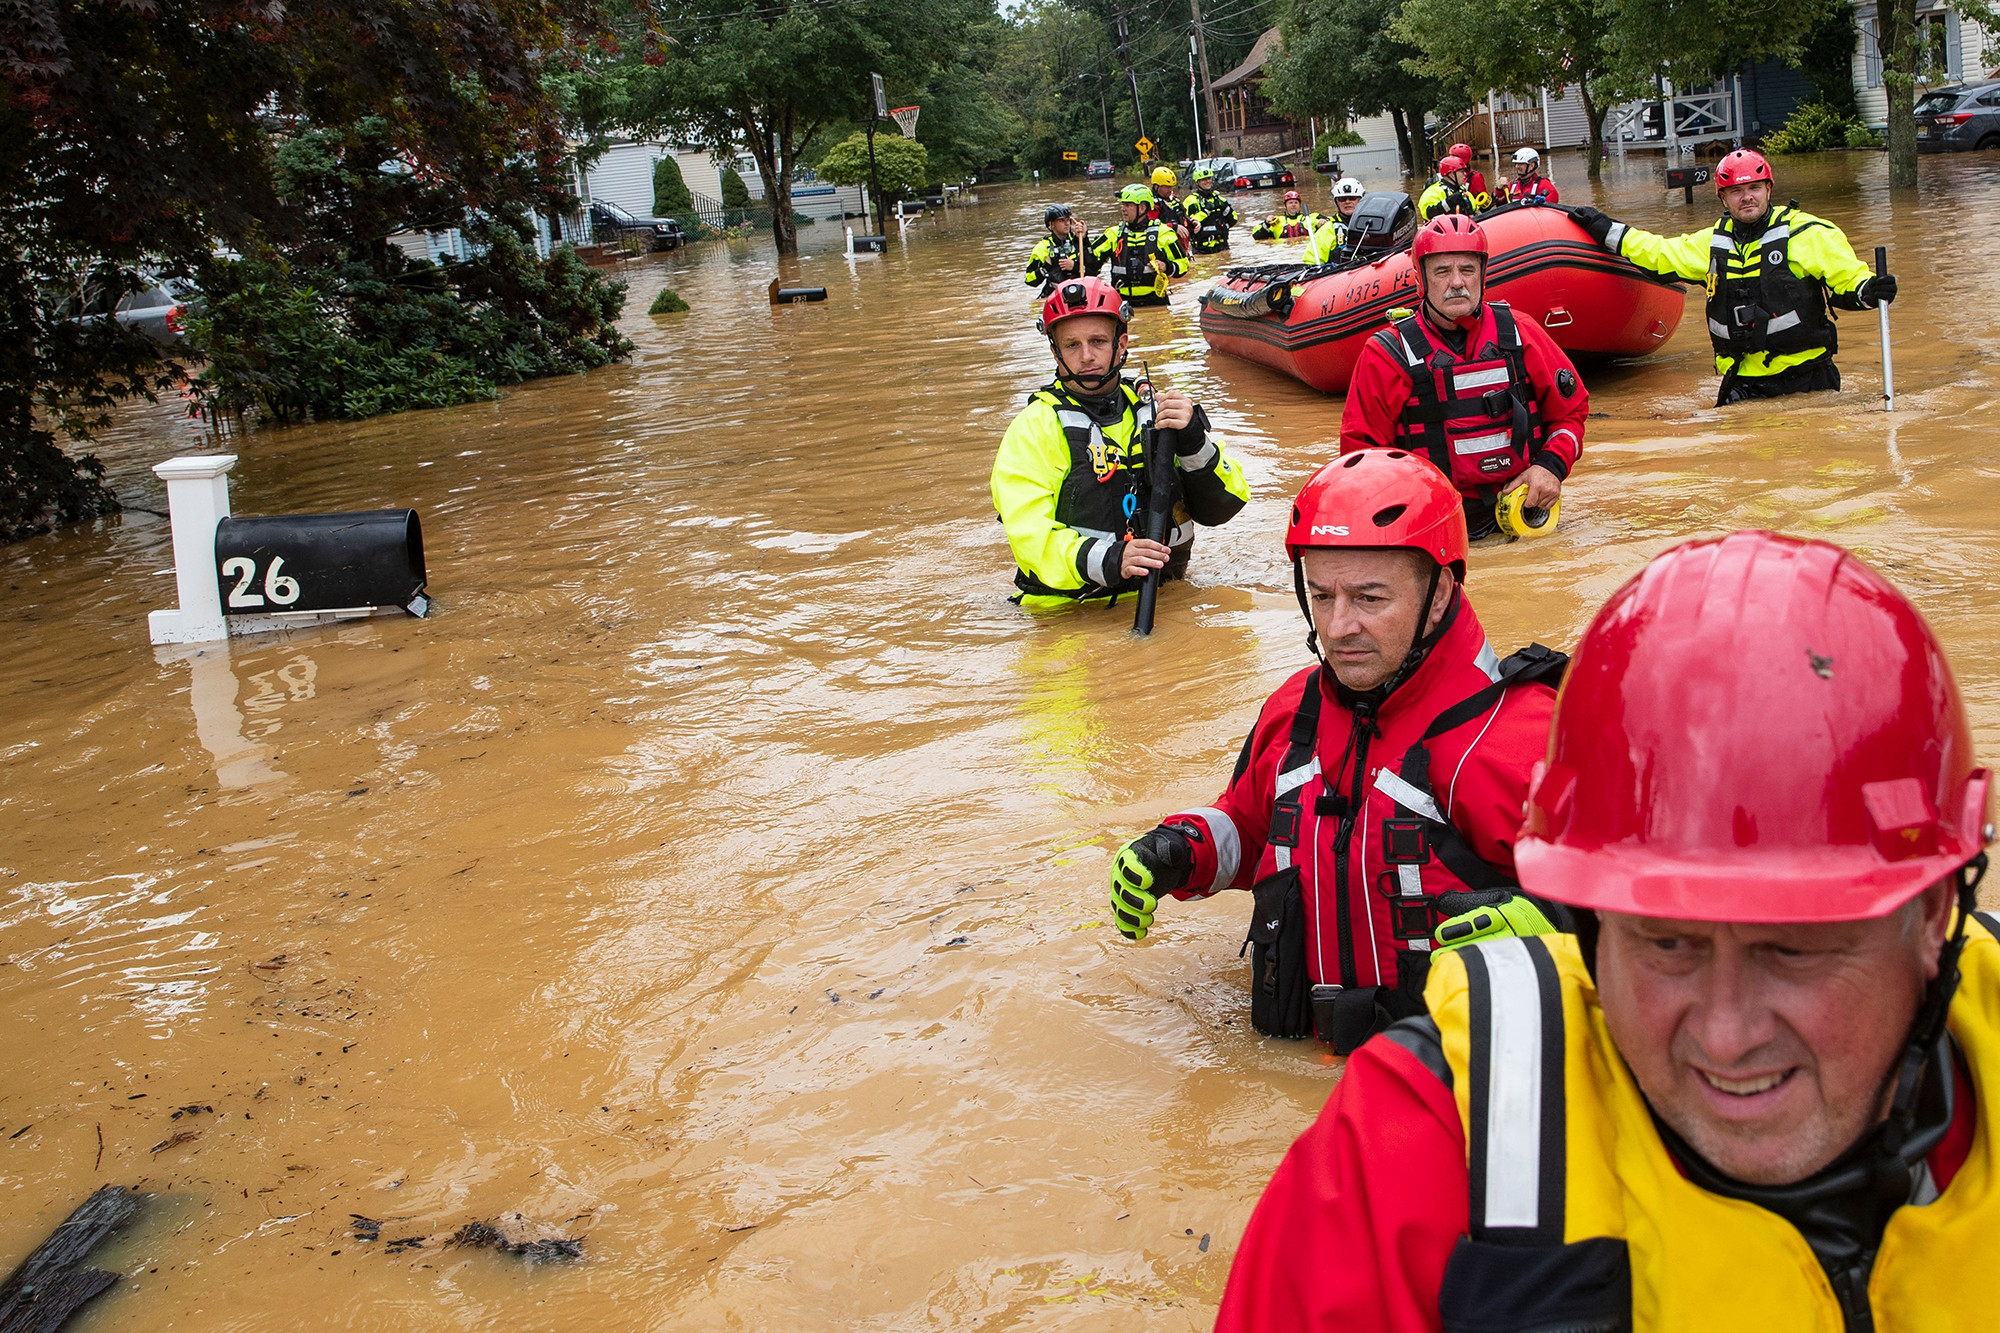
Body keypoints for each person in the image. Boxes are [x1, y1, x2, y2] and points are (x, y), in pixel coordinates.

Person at [1214, 529, 1997, 1331]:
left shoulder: (1490, 741)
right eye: (1665, 943)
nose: (1725, 1038)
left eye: (1792, 950)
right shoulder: (1417, 1145)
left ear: (1935, 916)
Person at [1106, 450, 1566, 1053]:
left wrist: (1561, 925)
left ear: (1439, 593)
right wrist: (1183, 849)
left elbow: (1648, 928)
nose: (1339, 625)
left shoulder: (1521, 738)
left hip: (1441, 1084)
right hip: (1294, 1058)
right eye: (1321, 596)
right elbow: (1251, 827)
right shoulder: (1292, 708)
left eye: (1370, 599)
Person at [990, 277, 1247, 609]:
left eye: (1097, 341)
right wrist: (1113, 558)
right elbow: (1030, 537)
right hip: (1068, 613)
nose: (1086, 356)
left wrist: (1193, 440)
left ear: (1121, 344)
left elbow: (1227, 502)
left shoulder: (1156, 411)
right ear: (1055, 351)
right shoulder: (1034, 427)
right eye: (1072, 345)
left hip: (1167, 598)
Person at [1571, 148, 1897, 405]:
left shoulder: (1809, 233)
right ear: (1723, 198)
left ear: (1769, 189)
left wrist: (1868, 289)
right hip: (1743, 384)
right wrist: (1607, 230)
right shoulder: (1711, 243)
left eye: (1754, 188)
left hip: (1809, 380)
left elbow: (1847, 280)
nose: (1747, 197)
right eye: (1736, 191)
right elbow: (1659, 253)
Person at [1339, 214, 1586, 540]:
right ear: (1421, 278)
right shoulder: (1387, 354)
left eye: (1467, 270)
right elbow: (1361, 459)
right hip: (1433, 525)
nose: (1457, 282)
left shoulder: (1520, 332)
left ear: (1482, 274)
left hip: (1523, 513)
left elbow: (1571, 413)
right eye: (1442, 271)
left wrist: (1550, 467)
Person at [1085, 184, 1190, 307]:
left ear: (1142, 208)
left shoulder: (1164, 233)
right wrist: (1081, 239)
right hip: (1122, 304)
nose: (1123, 209)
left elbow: (1183, 264)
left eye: (1128, 205)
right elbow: (1090, 263)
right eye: (1122, 205)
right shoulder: (1113, 234)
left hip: (1155, 303)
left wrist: (1167, 267)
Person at [1021, 204, 1086, 299]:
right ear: (1051, 224)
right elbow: (1029, 280)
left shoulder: (1078, 240)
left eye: (1068, 220)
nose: (1067, 223)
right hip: (1054, 294)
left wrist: (1074, 267)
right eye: (1061, 220)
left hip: (1080, 291)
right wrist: (1045, 268)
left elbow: (1094, 269)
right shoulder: (1042, 248)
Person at [1303, 176, 1367, 265]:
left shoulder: (1370, 224)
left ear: (1360, 200)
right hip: (1340, 274)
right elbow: (1311, 261)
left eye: (1352, 198)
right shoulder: (1328, 228)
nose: (1347, 202)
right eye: (1342, 199)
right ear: (1336, 202)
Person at [1182, 167, 1238, 254]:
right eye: (1203, 179)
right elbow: (1187, 223)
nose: (1207, 181)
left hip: (1223, 247)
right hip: (1202, 250)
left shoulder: (1219, 199)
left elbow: (1234, 220)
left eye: (1209, 178)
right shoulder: (1191, 201)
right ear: (1197, 182)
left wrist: (1226, 209)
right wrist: (1205, 212)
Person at [1416, 156, 1488, 221]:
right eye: (1462, 172)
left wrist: (1486, 208)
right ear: (1452, 174)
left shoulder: (1464, 192)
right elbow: (1428, 214)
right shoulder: (1433, 191)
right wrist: (1448, 202)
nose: (1465, 174)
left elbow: (1475, 214)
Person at [1251, 190, 1327, 241]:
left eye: (1296, 203)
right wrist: (1266, 223)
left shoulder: (1311, 217)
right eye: (1290, 203)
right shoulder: (1277, 221)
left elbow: (1332, 223)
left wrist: (1323, 224)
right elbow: (1256, 236)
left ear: (1300, 205)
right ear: (1285, 205)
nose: (1293, 205)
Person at [1148, 165, 1190, 247]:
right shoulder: (1151, 205)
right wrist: (1173, 227)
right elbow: (1149, 226)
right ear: (1156, 186)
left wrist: (1192, 222)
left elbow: (1183, 217)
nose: (1170, 190)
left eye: (1171, 186)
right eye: (1167, 187)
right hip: (1164, 247)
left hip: (1181, 246)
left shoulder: (1174, 199)